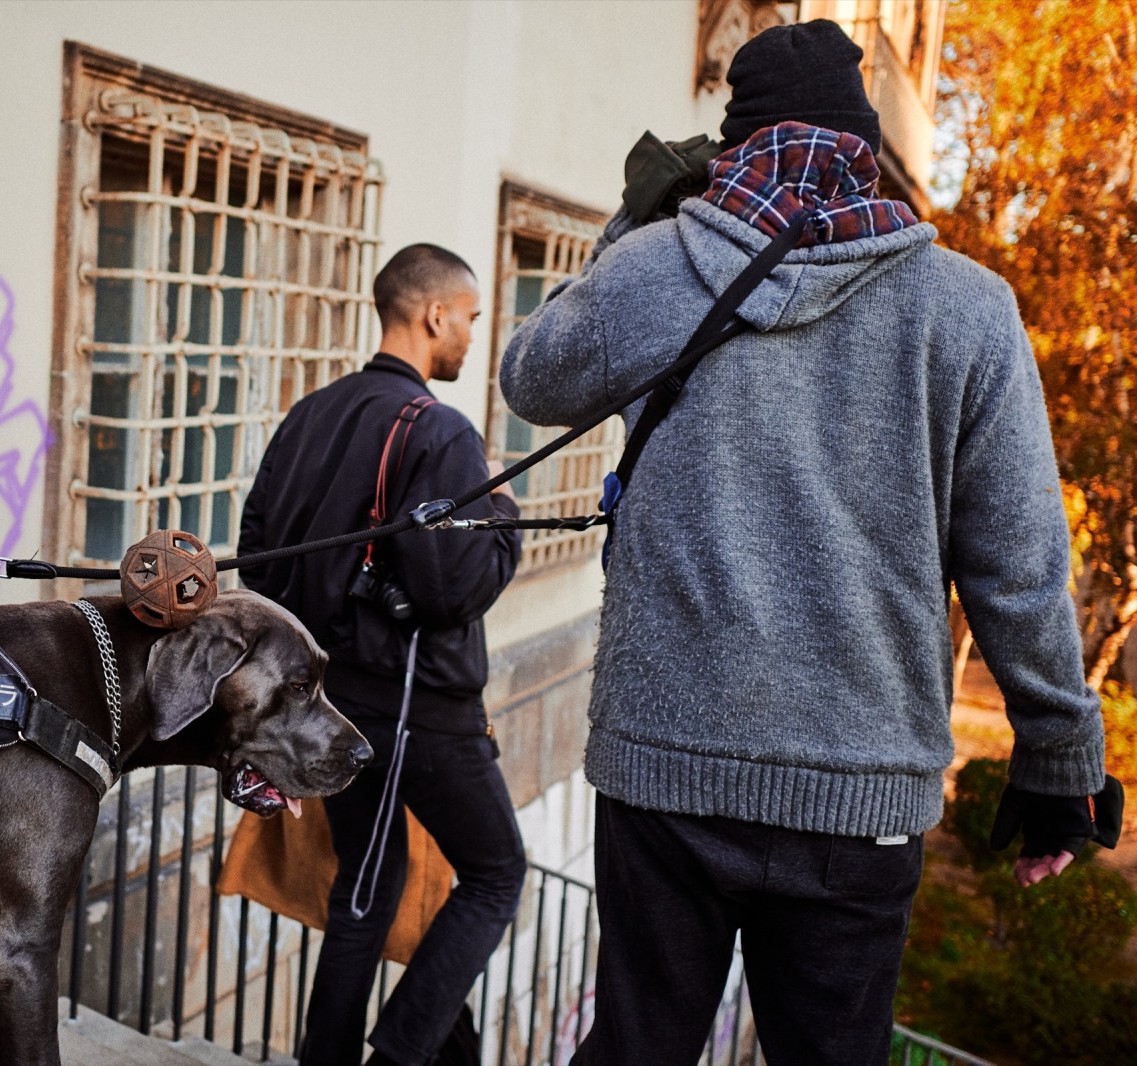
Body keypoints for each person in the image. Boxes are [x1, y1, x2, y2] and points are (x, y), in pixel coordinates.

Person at [498, 19, 1113, 1066]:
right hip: (859, 792)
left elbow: (531, 377)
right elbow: (1018, 564)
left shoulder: (658, 265)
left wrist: (633, 227)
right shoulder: (967, 309)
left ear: (729, 144)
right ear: (866, 143)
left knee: (637, 1045)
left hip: (663, 770)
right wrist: (1059, 759)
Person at [238, 243, 526, 1066]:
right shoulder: (441, 432)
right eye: (470, 318)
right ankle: (400, 1054)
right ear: (434, 314)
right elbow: (451, 592)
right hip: (417, 709)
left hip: (325, 708)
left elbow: (256, 557)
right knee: (497, 872)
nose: (472, 335)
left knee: (366, 889)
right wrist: (501, 510)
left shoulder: (310, 412)